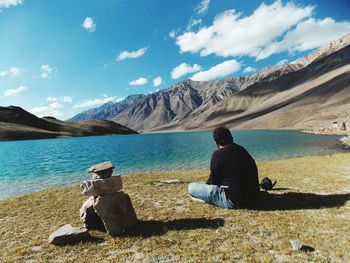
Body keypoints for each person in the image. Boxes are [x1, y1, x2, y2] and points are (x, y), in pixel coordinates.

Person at [188, 127, 259, 209]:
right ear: (231, 138)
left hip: (234, 201)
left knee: (191, 187)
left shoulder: (218, 154)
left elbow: (214, 181)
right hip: (254, 198)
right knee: (202, 185)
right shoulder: (242, 150)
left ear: (217, 141)